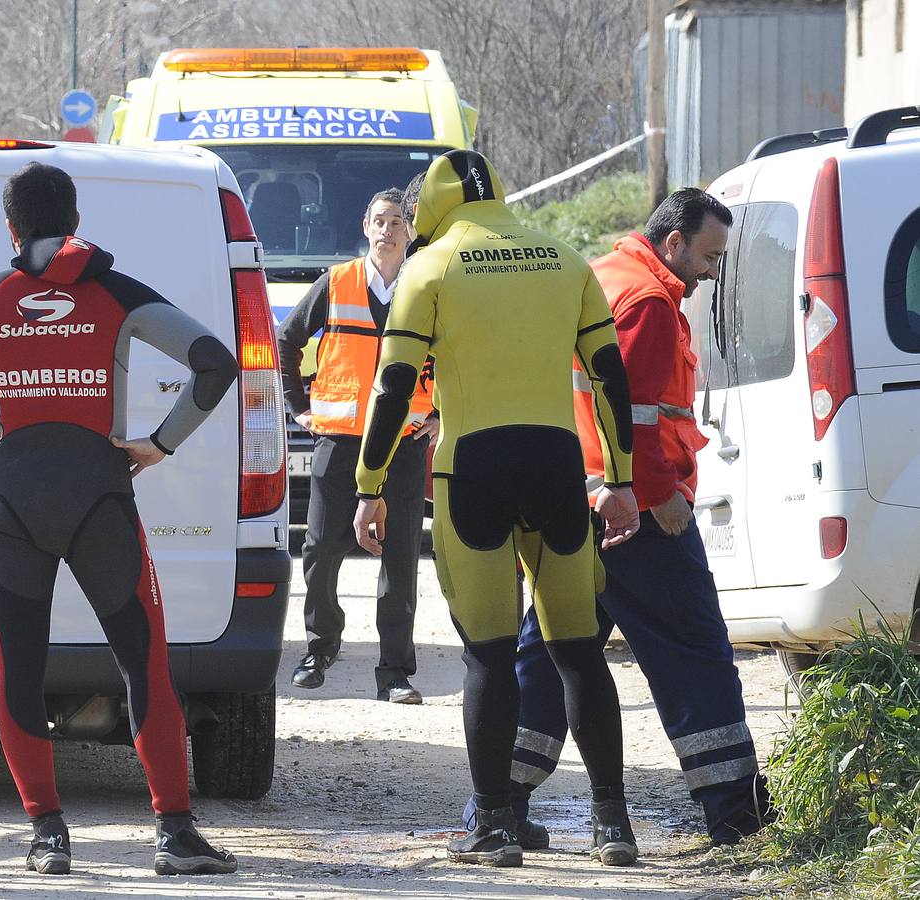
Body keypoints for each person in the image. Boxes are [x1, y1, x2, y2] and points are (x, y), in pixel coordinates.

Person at [0, 162, 241, 877]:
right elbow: (213, 364)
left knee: (20, 668)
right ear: (75, 220)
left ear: (11, 228)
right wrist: (159, 444)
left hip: (11, 502)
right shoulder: (113, 290)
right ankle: (173, 833)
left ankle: (46, 835)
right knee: (144, 665)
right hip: (102, 499)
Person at [353, 150, 641, 868]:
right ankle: (613, 827)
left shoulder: (430, 265)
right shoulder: (563, 256)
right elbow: (608, 375)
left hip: (471, 471)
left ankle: (492, 827)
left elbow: (392, 386)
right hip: (555, 467)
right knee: (577, 652)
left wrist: (368, 483)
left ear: (426, 209)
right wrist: (623, 476)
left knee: (486, 659)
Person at [476, 188, 777, 848]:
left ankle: (496, 806)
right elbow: (632, 417)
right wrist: (659, 494)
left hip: (570, 503)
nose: (711, 271)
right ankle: (735, 814)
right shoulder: (645, 300)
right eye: (707, 255)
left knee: (550, 658)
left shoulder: (601, 277)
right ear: (672, 243)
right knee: (693, 651)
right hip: (634, 512)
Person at [277, 188, 436, 702]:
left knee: (400, 557)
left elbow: (460, 353)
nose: (388, 231)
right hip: (340, 440)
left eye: (397, 222)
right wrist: (296, 405)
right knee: (320, 547)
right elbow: (285, 340)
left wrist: (442, 411)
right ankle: (320, 648)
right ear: (366, 227)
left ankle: (394, 674)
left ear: (410, 232)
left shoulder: (428, 285)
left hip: (405, 444)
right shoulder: (337, 281)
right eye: (379, 221)